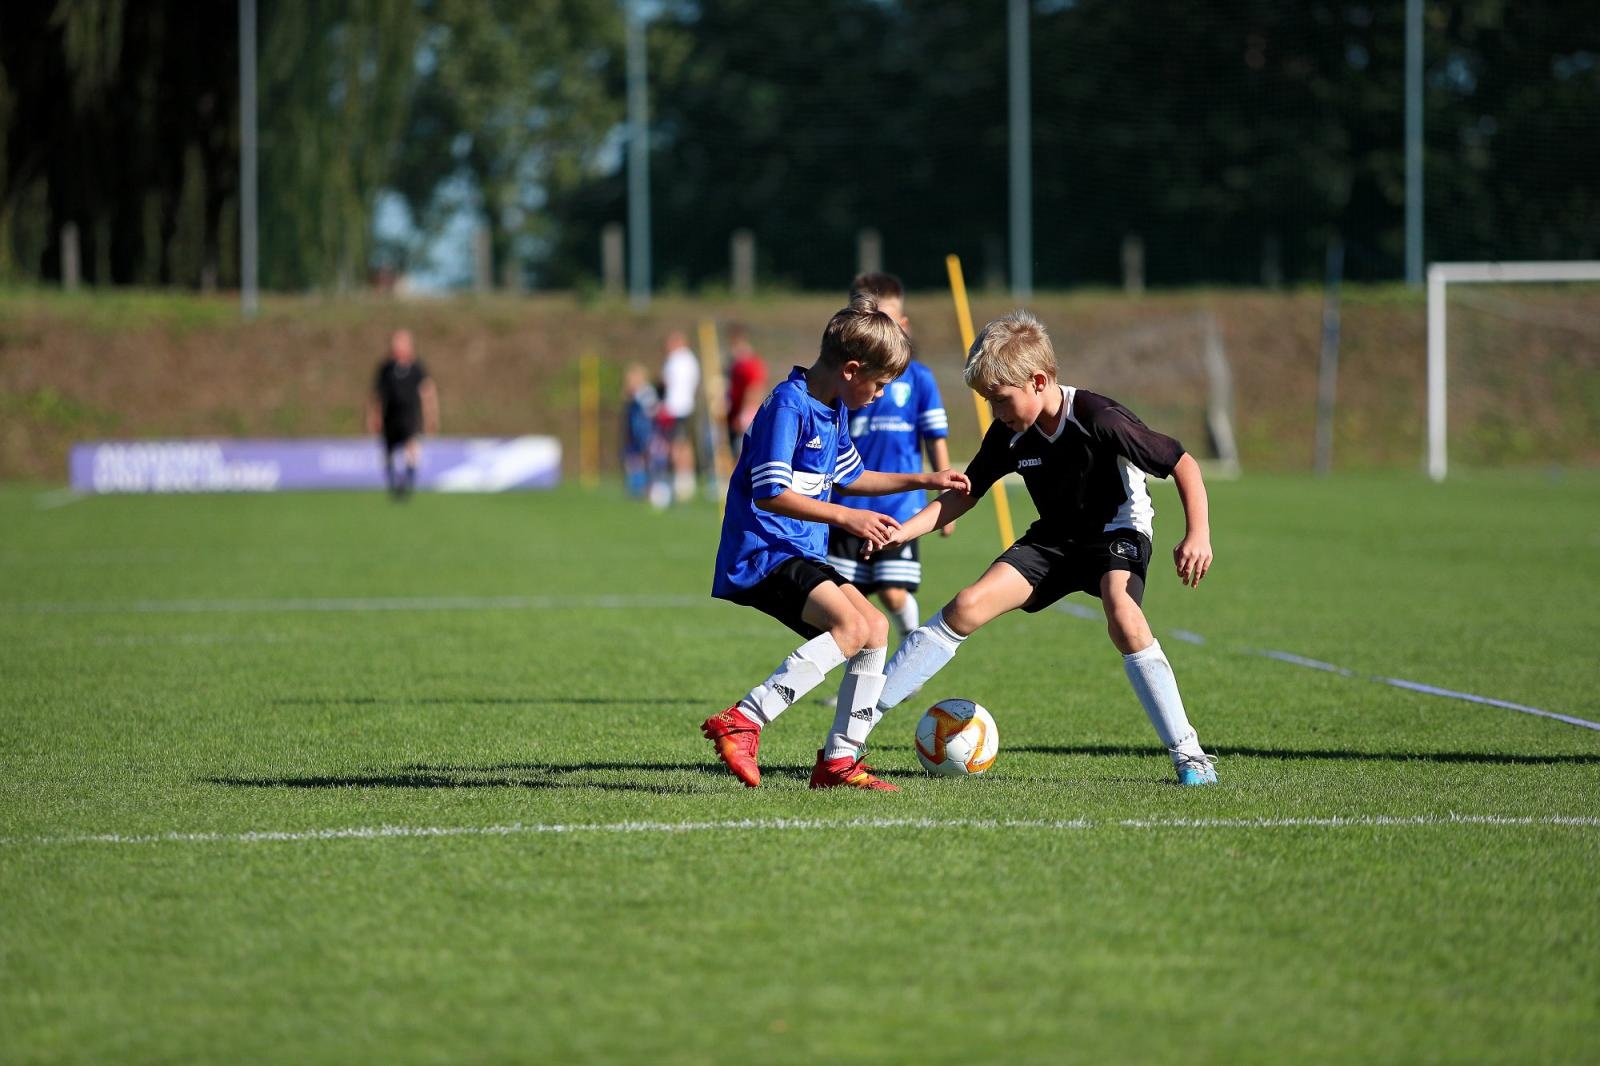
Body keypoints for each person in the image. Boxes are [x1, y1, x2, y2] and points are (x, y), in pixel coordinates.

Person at [865, 310, 1220, 787]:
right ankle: (855, 729)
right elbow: (967, 492)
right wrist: (903, 532)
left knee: (1123, 615)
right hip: (1053, 539)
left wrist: (1197, 534)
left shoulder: (1099, 417)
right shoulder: (1010, 431)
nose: (996, 412)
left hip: (1117, 532)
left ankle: (1189, 755)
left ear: (1038, 380)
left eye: (1000, 399)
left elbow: (1181, 462)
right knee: (965, 606)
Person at [703, 295, 971, 791]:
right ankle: (745, 719)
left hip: (797, 551)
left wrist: (925, 480)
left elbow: (854, 475)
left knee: (873, 629)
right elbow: (772, 492)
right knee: (853, 625)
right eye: (879, 383)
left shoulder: (830, 410)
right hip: (764, 552)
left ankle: (839, 761)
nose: (881, 394)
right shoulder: (790, 404)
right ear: (851, 369)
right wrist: (847, 518)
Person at [827, 272, 952, 641]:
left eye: (886, 320)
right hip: (847, 506)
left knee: (893, 592)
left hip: (900, 507)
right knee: (844, 604)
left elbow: (935, 437)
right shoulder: (845, 381)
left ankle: (909, 654)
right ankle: (850, 687)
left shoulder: (919, 379)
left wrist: (946, 500)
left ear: (903, 325)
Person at [366, 329, 438, 499]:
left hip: (410, 416)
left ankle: (408, 484)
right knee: (388, 452)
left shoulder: (417, 368)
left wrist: (431, 417)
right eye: (395, 342)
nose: (397, 346)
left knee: (411, 448)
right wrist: (373, 416)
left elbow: (428, 392)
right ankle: (393, 485)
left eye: (401, 342)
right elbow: (376, 395)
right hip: (390, 417)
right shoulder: (386, 369)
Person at [659, 331, 701, 502]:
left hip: (675, 408)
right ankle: (687, 479)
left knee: (676, 445)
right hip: (688, 406)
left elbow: (666, 381)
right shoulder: (691, 360)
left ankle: (679, 480)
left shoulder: (674, 360)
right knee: (686, 444)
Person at [724, 324, 767, 457]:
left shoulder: (751, 364)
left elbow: (755, 389)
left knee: (743, 453)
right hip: (734, 413)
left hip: (746, 415)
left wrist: (744, 414)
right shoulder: (735, 364)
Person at [620, 363, 660, 499]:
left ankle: (646, 489)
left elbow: (651, 412)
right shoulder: (630, 395)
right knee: (632, 459)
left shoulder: (646, 392)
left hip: (644, 432)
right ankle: (635, 488)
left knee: (645, 459)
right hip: (632, 432)